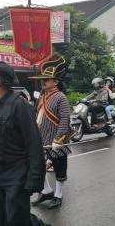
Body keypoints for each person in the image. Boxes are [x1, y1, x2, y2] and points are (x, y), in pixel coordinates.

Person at [0, 62, 45, 225]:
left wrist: (35, 179)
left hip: (16, 177)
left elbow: (34, 145)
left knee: (17, 219)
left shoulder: (20, 105)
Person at [29, 57, 72, 210]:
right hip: (42, 138)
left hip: (56, 139)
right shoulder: (42, 96)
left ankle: (58, 196)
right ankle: (46, 191)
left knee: (59, 168)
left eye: (47, 80)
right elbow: (37, 117)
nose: (43, 82)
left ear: (56, 81)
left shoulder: (61, 97)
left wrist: (58, 139)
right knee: (39, 166)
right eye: (43, 80)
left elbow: (65, 119)